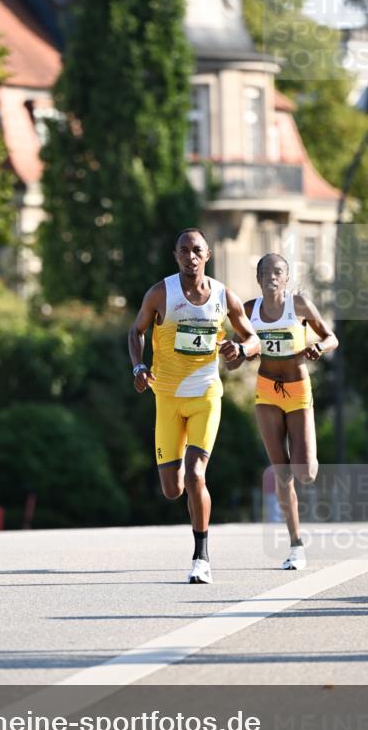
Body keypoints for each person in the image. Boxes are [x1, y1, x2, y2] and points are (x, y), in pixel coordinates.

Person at [129, 228, 260, 583]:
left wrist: (240, 349)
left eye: (197, 250)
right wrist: (139, 367)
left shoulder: (223, 296)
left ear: (207, 255)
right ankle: (184, 473)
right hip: (167, 398)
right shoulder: (161, 293)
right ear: (176, 256)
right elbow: (136, 331)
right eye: (184, 250)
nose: (191, 256)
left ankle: (201, 558)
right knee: (173, 489)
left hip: (205, 395)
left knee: (196, 474)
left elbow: (252, 338)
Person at [227, 252, 338, 570]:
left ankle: (309, 458)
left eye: (278, 272)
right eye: (266, 272)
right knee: (282, 472)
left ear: (286, 278)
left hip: (298, 390)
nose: (272, 276)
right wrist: (239, 352)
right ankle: (296, 545)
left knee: (305, 473)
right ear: (258, 278)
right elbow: (233, 362)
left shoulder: (299, 305)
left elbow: (331, 337)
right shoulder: (249, 310)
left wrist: (319, 347)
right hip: (266, 391)